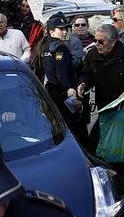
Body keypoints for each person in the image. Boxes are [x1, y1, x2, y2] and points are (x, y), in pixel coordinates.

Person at [77, 24, 124, 156]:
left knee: (122, 148)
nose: (97, 44)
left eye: (101, 41)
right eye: (95, 40)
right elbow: (86, 73)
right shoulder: (92, 55)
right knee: (96, 144)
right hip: (104, 107)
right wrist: (83, 84)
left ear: (113, 42)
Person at [32, 15, 87, 147]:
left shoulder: (44, 46)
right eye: (60, 29)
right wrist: (69, 88)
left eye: (66, 29)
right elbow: (61, 71)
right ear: (51, 31)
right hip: (63, 94)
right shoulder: (59, 47)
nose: (64, 32)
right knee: (76, 129)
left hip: (51, 92)